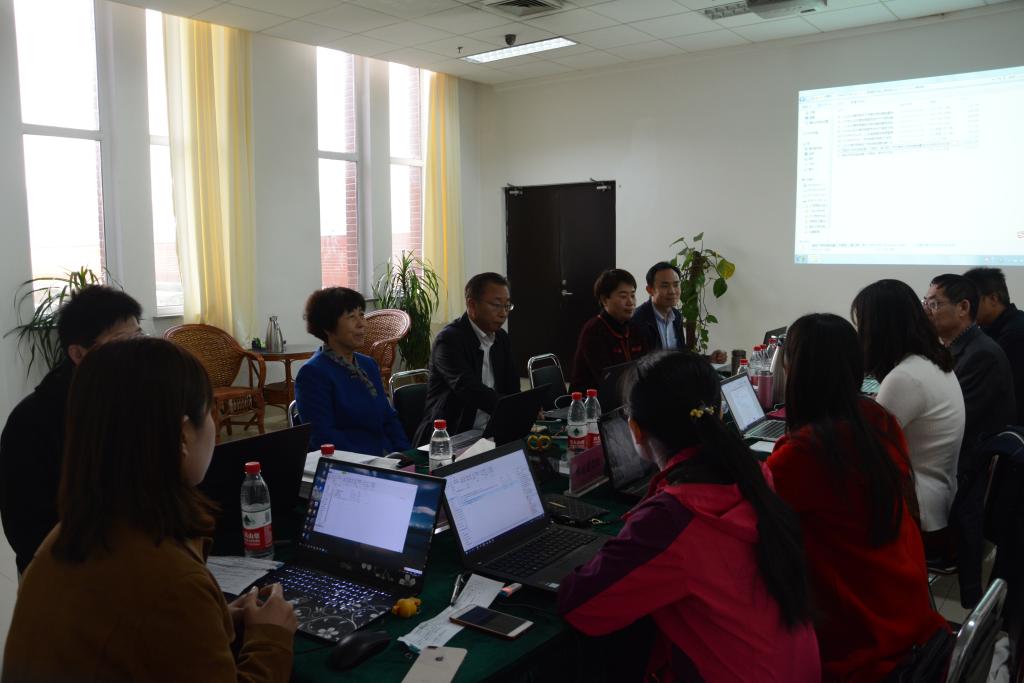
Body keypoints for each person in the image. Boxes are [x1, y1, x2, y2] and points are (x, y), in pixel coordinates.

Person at [2, 337, 297, 681]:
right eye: (210, 413)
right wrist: (271, 637)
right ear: (183, 436)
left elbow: (138, 636)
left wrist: (218, 618)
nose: (214, 428)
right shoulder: (170, 579)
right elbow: (159, 606)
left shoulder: (70, 535)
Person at [558, 351, 820, 682]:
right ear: (717, 411)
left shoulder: (673, 519)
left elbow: (581, 605)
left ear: (635, 429)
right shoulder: (753, 475)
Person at [767, 314, 948, 682]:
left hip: (864, 644)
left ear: (795, 371)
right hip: (908, 612)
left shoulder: (804, 453)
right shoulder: (879, 421)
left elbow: (753, 518)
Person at [0, 284, 143, 575]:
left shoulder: (139, 400)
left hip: (135, 560)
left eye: (139, 337)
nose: (137, 352)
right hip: (65, 575)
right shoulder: (32, 421)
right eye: (121, 342)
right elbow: (27, 531)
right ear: (78, 354)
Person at [851, 279, 965, 557]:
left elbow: (863, 450)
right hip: (940, 499)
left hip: (920, 514)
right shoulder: (931, 361)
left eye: (862, 324)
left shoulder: (905, 377)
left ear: (878, 328)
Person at [926, 274, 1015, 605]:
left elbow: (950, 422)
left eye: (935, 304)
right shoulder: (957, 348)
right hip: (959, 464)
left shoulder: (980, 354)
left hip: (966, 471)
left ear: (963, 308)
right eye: (926, 303)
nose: (927, 311)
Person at [295, 287, 410, 456]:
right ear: (328, 327)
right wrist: (378, 458)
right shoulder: (313, 374)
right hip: (350, 464)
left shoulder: (368, 365)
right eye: (351, 317)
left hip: (389, 460)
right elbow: (323, 437)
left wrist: (406, 454)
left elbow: (388, 418)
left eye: (361, 315)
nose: (362, 324)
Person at [414, 273, 519, 446]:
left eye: (507, 306)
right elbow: (469, 389)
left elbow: (512, 385)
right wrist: (513, 408)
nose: (503, 313)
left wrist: (523, 405)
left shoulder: (501, 338)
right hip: (450, 435)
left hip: (490, 431)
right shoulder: (448, 340)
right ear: (472, 305)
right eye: (496, 305)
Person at [569, 268, 650, 393]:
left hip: (626, 396)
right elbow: (608, 379)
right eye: (623, 296)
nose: (630, 302)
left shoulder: (635, 328)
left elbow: (646, 367)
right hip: (591, 400)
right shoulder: (593, 331)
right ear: (604, 300)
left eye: (633, 295)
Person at [963, 266, 1024, 425]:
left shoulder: (1016, 333)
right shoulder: (988, 328)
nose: (967, 308)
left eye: (972, 301)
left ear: (993, 299)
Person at [633, 261, 727, 363]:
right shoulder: (637, 319)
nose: (672, 291)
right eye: (665, 286)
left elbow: (681, 356)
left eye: (676, 285)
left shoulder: (676, 316)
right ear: (650, 290)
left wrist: (709, 359)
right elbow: (638, 365)